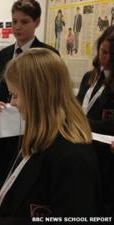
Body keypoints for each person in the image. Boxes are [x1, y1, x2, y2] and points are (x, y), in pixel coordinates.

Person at [0, 48, 100, 222]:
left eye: (15, 95)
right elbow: (35, 190)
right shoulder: (41, 135)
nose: (12, 103)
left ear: (37, 96)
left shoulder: (72, 156)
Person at [0, 0, 59, 182]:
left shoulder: (47, 55)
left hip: (34, 128)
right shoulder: (3, 55)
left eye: (24, 21)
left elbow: (52, 95)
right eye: (14, 21)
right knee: (2, 172)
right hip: (4, 129)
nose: (17, 27)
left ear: (37, 22)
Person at [77, 25, 114, 216]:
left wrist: (80, 123)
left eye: (111, 55)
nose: (105, 58)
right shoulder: (89, 77)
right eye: (103, 51)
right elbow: (77, 107)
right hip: (82, 149)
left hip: (105, 158)